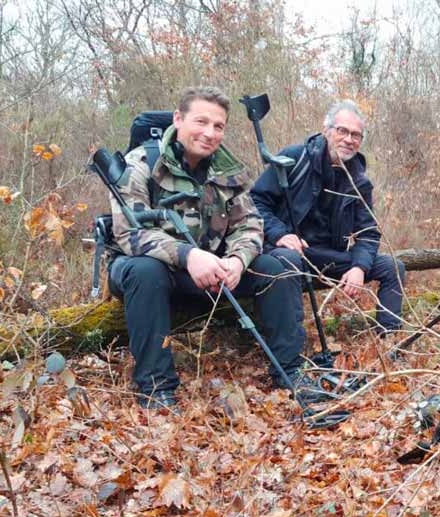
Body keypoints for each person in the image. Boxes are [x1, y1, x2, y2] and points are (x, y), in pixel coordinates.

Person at [108, 86, 325, 409]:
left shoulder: (228, 170)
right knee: (144, 270)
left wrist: (237, 260)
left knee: (279, 263)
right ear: (178, 119)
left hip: (215, 269)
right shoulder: (139, 164)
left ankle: (291, 370)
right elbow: (131, 234)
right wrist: (189, 256)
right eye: (201, 122)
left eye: (218, 126)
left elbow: (250, 225)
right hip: (154, 271)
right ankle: (156, 388)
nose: (209, 133)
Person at [250, 99, 405, 335]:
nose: (349, 139)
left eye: (356, 135)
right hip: (286, 251)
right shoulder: (294, 159)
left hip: (327, 257)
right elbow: (256, 201)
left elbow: (369, 232)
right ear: (326, 131)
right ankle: (293, 347)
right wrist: (280, 234)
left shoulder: (358, 181)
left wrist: (359, 267)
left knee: (391, 265)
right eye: (342, 131)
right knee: (288, 260)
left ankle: (390, 340)